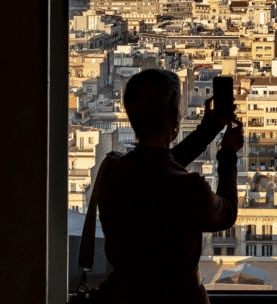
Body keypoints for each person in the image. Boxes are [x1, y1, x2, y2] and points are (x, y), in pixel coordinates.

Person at [96, 68, 243, 304]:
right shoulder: (188, 188)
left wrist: (208, 130)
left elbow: (156, 167)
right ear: (175, 118)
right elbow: (226, 213)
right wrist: (228, 154)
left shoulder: (112, 172)